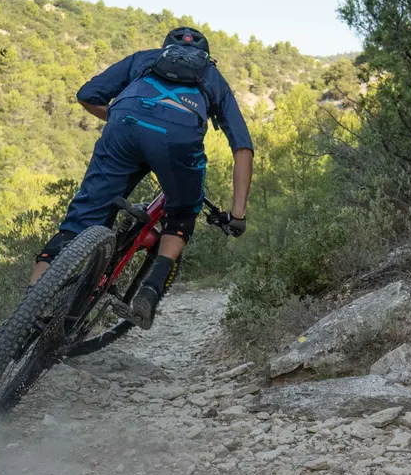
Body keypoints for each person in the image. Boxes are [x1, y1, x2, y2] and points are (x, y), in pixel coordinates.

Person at [34, 26, 253, 329]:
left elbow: (87, 94)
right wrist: (238, 214)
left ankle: (28, 311)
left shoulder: (144, 59)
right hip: (179, 139)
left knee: (79, 221)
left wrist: (122, 120)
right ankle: (148, 292)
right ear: (204, 57)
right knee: (182, 213)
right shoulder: (212, 77)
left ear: (165, 50)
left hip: (124, 123)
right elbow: (243, 147)